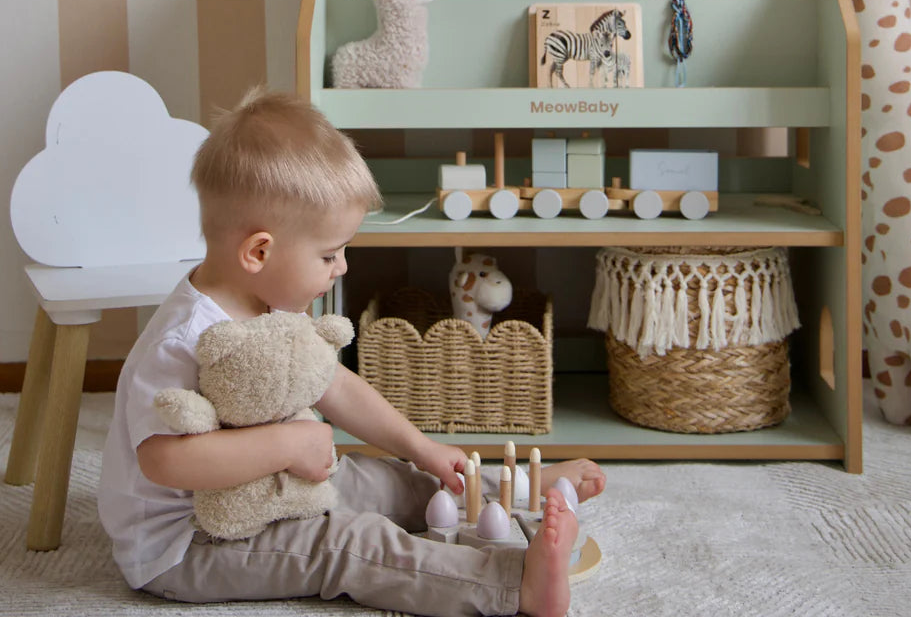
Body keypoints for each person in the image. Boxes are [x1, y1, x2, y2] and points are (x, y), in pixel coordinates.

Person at [98, 87, 605, 617]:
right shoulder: (182, 338)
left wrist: (421, 448)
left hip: (277, 487)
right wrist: (288, 445)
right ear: (259, 252)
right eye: (328, 254)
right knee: (348, 544)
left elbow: (334, 386)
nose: (341, 268)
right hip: (192, 543)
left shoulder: (272, 300)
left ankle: (508, 491)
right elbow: (162, 460)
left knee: (385, 480)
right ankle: (508, 586)